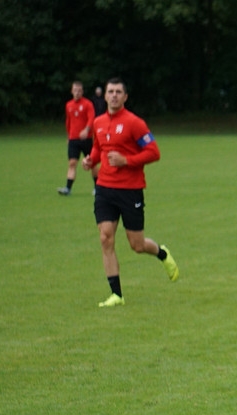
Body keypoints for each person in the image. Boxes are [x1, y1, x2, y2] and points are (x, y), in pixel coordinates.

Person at [83, 78, 179, 308]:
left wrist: (126, 160)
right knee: (105, 237)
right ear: (105, 96)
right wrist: (91, 160)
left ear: (125, 97)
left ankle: (161, 253)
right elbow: (98, 148)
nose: (114, 95)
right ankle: (116, 294)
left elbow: (154, 152)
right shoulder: (98, 122)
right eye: (110, 91)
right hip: (104, 188)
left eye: (118, 92)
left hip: (130, 190)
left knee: (137, 245)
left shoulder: (135, 123)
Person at [58, 81, 96, 196]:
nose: (77, 92)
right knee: (72, 163)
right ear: (72, 91)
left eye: (79, 90)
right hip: (73, 139)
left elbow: (91, 118)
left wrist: (86, 130)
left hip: (86, 139)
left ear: (82, 92)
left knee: (92, 163)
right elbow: (68, 121)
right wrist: (68, 136)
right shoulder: (68, 105)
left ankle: (97, 187)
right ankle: (68, 188)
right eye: (75, 90)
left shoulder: (88, 104)